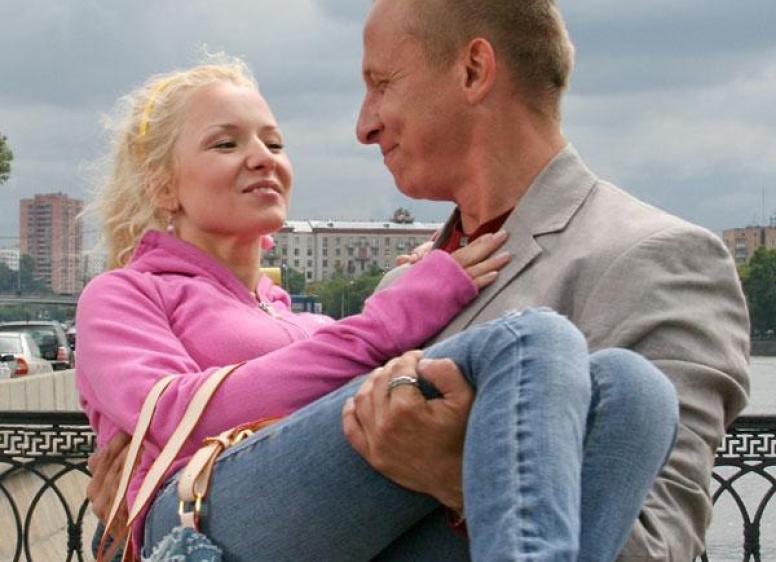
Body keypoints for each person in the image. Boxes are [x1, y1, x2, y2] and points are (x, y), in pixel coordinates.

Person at [79, 57, 679, 561]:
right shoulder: (126, 293)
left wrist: (400, 311)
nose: (262, 157)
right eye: (226, 143)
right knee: (533, 340)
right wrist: (389, 321)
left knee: (632, 387)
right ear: (163, 186)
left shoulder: (309, 325)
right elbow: (175, 415)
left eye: (274, 142)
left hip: (328, 531)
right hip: (191, 519)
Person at [343, 0, 751, 560]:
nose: (364, 126)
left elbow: (659, 547)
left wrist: (460, 475)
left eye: (382, 84)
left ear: (474, 71)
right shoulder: (400, 286)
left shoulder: (658, 258)